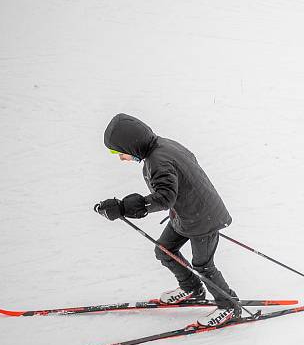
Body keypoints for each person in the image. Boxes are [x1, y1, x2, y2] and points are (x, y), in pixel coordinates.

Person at [94, 113, 241, 327]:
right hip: (185, 215)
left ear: (131, 145)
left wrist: (124, 207)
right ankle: (191, 289)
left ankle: (230, 306)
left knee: (203, 265)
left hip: (203, 219)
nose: (120, 158)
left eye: (119, 152)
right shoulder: (162, 146)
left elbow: (164, 197)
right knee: (164, 250)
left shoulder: (158, 161)